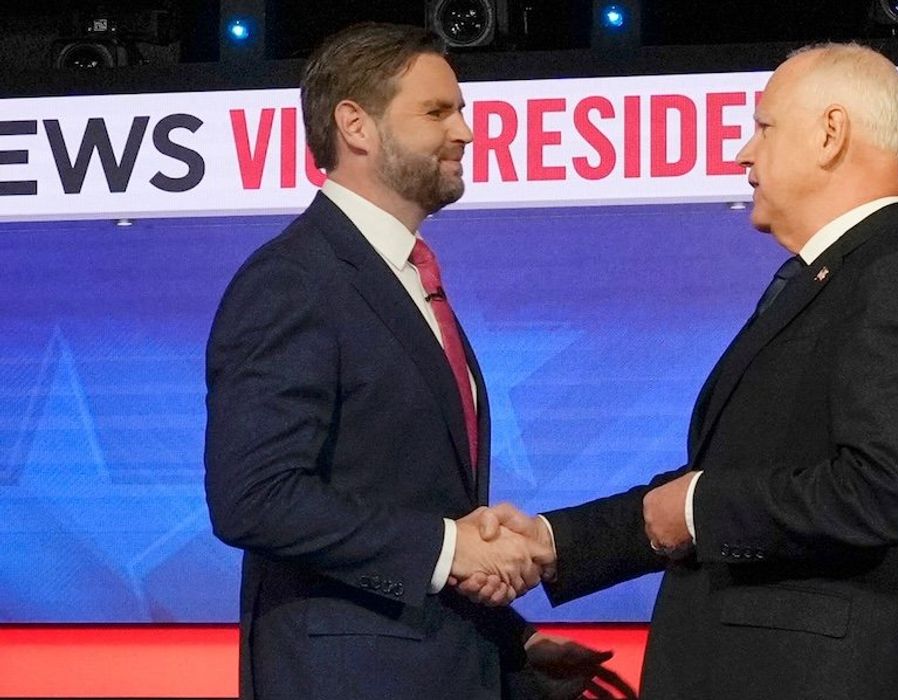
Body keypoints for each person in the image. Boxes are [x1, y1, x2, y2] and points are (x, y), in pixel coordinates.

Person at [467, 42, 898, 699]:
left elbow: (889, 490)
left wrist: (700, 506)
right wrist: (555, 542)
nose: (743, 153)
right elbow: (726, 482)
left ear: (830, 134)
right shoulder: (833, 280)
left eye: (762, 127)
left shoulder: (896, 276)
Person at [204, 22, 616, 700]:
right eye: (436, 111)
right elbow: (255, 499)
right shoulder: (294, 280)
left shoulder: (403, 276)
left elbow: (412, 505)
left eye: (460, 110)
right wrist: (453, 550)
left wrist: (513, 640)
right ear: (356, 126)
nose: (466, 132)